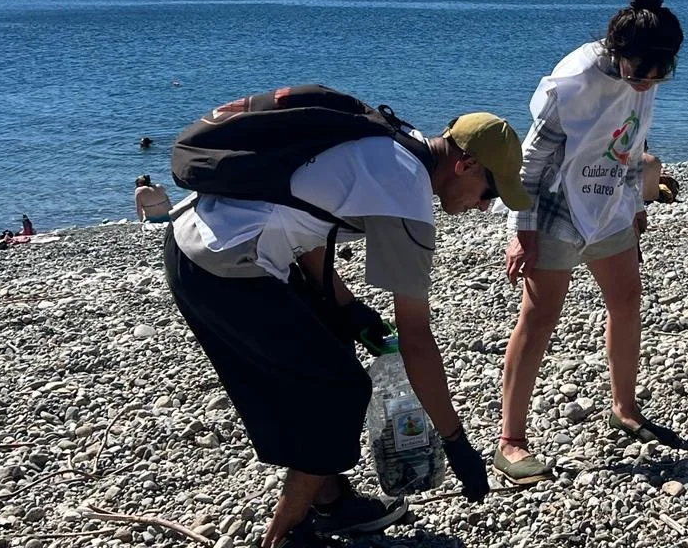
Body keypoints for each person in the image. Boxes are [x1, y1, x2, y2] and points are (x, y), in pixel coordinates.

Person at [166, 108, 531, 545]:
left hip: (197, 236)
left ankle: (332, 502)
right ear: (466, 164)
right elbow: (416, 337)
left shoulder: (396, 141)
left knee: (330, 351)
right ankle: (288, 532)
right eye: (488, 190)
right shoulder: (408, 193)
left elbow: (307, 212)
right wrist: (455, 441)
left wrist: (347, 306)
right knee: (339, 390)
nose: (484, 205)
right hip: (222, 264)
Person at [498, 0, 684, 485]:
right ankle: (510, 441)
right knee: (539, 317)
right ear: (619, 52)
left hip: (609, 202)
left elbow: (629, 140)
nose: (648, 82)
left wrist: (632, 207)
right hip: (556, 201)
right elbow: (531, 163)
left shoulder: (645, 74)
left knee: (626, 298)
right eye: (641, 72)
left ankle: (624, 407)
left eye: (660, 73)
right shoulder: (574, 80)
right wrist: (523, 229)